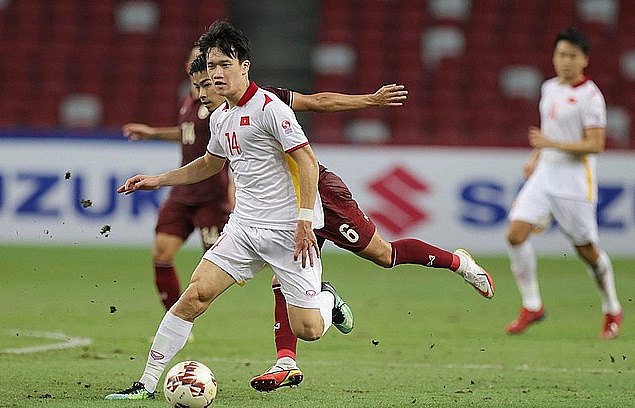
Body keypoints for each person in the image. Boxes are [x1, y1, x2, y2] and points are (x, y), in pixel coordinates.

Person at [181, 52, 495, 391]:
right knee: (282, 278)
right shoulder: (223, 119)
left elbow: (319, 101)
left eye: (212, 77)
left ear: (236, 70)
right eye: (201, 83)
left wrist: (371, 101)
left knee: (384, 255)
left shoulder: (266, 101)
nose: (206, 90)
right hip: (283, 213)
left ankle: (459, 263)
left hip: (320, 196)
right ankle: (286, 361)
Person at [105, 19, 353, 400]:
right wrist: (158, 179)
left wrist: (305, 221)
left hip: (288, 231)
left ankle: (327, 298)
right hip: (242, 229)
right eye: (211, 66)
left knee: (310, 330)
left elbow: (307, 163)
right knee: (194, 297)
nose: (216, 74)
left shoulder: (272, 109)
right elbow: (208, 164)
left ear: (244, 66)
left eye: (224, 65)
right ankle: (146, 383)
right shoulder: (220, 117)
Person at [504, 27, 622, 339]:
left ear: (584, 60)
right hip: (545, 176)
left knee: (587, 251)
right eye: (560, 54)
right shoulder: (549, 88)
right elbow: (548, 135)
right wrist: (536, 155)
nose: (565, 61)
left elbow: (595, 145)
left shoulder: (592, 98)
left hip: (574, 184)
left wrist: (550, 143)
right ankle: (532, 305)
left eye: (572, 56)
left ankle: (612, 307)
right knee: (515, 234)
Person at [121, 45, 233, 310]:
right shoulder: (191, 98)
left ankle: (287, 273)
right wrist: (153, 133)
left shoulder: (219, 102)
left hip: (212, 197)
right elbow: (188, 132)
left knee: (231, 264)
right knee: (161, 252)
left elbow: (231, 147)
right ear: (188, 66)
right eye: (197, 60)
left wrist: (235, 190)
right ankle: (173, 319)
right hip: (183, 194)